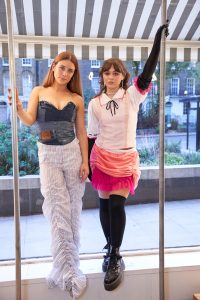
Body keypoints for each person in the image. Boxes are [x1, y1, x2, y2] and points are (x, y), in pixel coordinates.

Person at [87, 23, 169, 291]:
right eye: (106, 73)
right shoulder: (95, 103)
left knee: (116, 206)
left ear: (123, 76)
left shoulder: (132, 96)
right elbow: (90, 136)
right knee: (103, 207)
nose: (111, 76)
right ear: (102, 77)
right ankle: (110, 247)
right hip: (101, 158)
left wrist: (157, 40)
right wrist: (88, 166)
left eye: (116, 72)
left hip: (124, 160)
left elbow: (148, 71)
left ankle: (115, 255)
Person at [8, 51, 89, 299]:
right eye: (62, 68)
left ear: (74, 74)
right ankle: (68, 270)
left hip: (73, 155)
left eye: (70, 70)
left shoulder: (76, 98)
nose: (65, 73)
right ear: (53, 67)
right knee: (57, 210)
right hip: (49, 156)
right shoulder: (38, 92)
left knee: (73, 211)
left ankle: (71, 265)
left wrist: (86, 161)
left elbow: (82, 132)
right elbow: (30, 120)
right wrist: (19, 107)